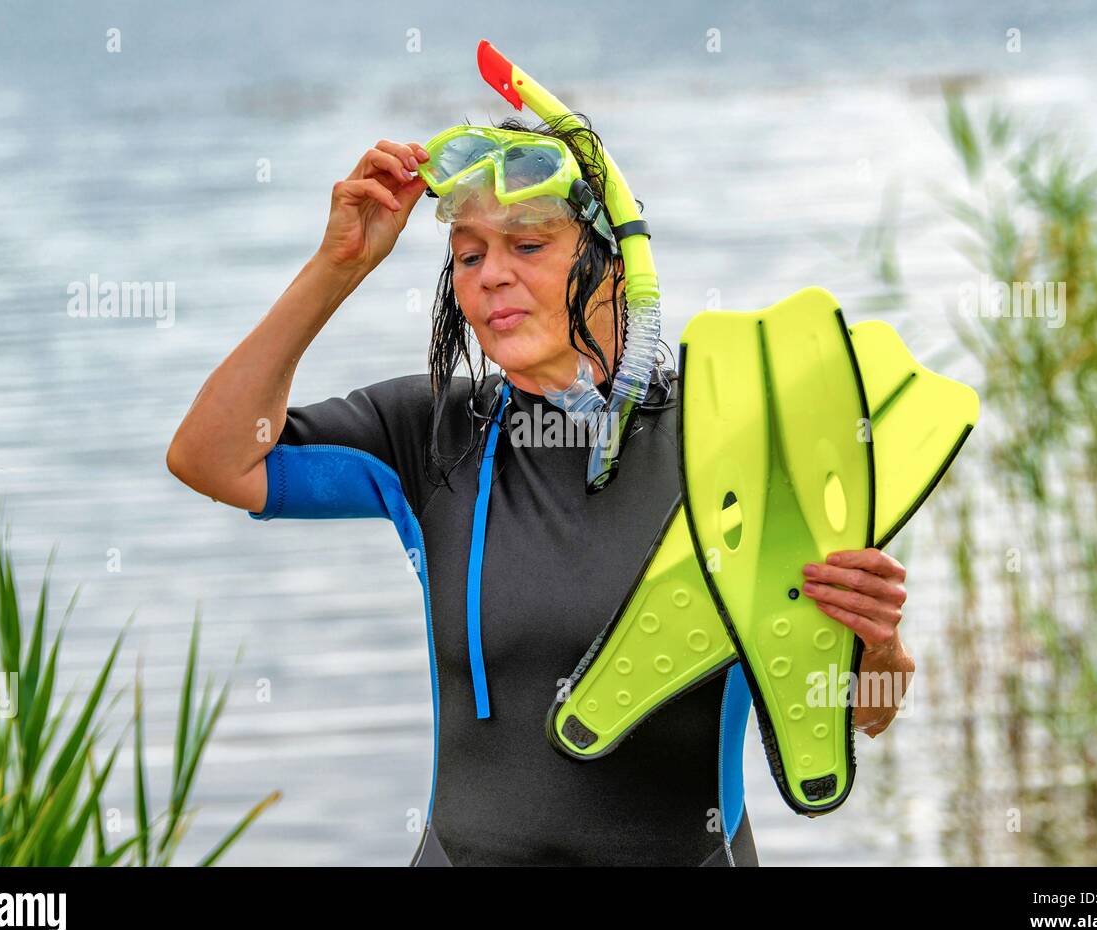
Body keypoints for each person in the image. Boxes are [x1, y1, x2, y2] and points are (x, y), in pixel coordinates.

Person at [165, 117, 915, 866]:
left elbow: (867, 719)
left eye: (527, 245)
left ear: (616, 262)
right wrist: (338, 267)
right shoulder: (434, 436)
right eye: (468, 255)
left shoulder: (736, 448)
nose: (490, 275)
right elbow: (209, 458)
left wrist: (876, 645)